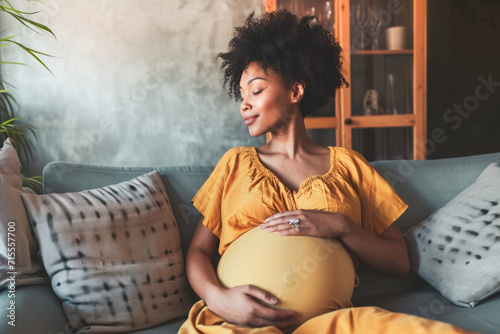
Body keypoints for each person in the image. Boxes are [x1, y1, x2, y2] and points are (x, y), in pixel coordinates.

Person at [179, 10, 474, 334]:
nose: (244, 104)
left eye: (257, 90)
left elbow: (399, 262)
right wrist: (216, 297)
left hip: (333, 324)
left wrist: (341, 226)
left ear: (296, 91)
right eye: (243, 94)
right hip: (234, 324)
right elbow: (198, 251)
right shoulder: (234, 163)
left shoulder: (350, 166)